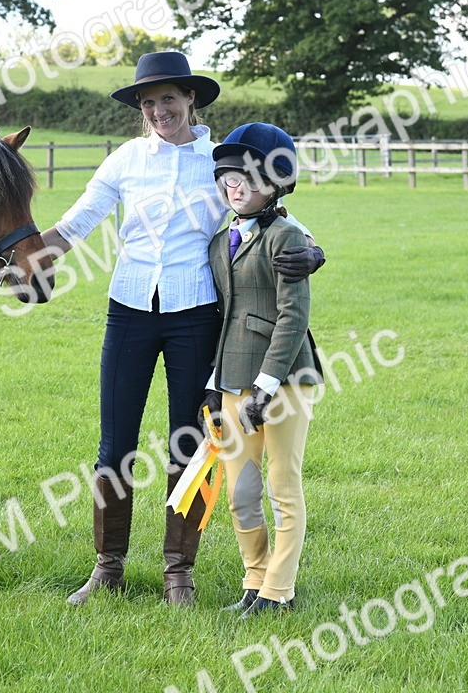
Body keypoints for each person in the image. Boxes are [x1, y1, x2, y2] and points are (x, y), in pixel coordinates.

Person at [38, 52, 325, 607]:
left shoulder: (216, 161)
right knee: (114, 444)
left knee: (189, 444)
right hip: (129, 310)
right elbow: (78, 221)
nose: (158, 110)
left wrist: (313, 250)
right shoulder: (125, 159)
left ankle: (179, 573)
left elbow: (271, 213)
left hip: (196, 315)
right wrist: (21, 258)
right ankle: (108, 567)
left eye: (168, 98)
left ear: (191, 99)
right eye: (148, 102)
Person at [198, 122, 323, 618]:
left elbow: (294, 317)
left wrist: (266, 386)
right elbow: (224, 316)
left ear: (276, 184)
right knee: (241, 491)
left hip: (284, 380)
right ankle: (255, 579)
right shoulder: (219, 242)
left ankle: (279, 590)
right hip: (232, 380)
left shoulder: (288, 237)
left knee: (281, 486)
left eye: (249, 179)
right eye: (229, 178)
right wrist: (214, 384)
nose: (236, 187)